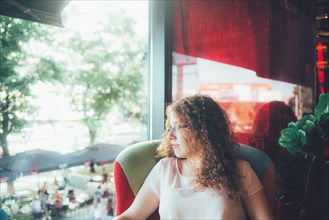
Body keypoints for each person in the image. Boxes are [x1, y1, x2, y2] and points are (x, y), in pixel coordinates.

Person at [115, 94, 273, 220]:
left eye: (179, 127)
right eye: (170, 128)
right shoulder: (165, 169)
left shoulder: (240, 170)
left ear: (203, 130)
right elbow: (132, 216)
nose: (170, 135)